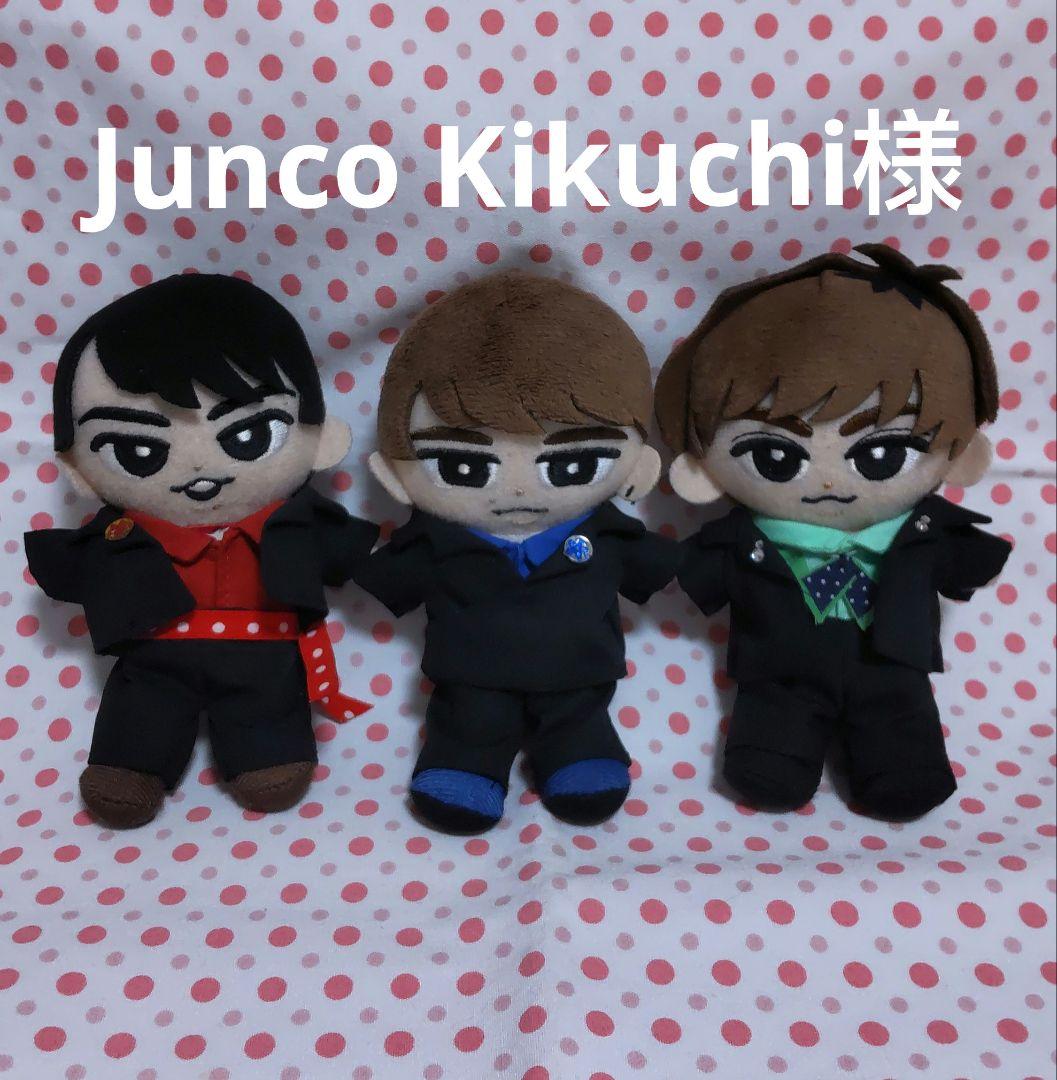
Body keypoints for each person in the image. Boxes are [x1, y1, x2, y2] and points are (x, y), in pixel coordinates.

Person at [655, 244, 1012, 819]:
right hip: (778, 675)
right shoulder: (739, 542)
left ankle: (898, 761)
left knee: (905, 759)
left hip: (893, 675)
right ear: (701, 469)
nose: (828, 480)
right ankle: (778, 750)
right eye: (774, 455)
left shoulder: (926, 531)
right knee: (767, 761)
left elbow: (973, 562)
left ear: (961, 454)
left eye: (883, 452)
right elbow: (684, 573)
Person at [25, 273, 378, 827]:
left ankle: (266, 753)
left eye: (248, 435)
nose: (197, 466)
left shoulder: (298, 523)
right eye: (138, 450)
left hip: (266, 662)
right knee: (138, 718)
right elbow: (74, 569)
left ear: (321, 437)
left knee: (271, 740)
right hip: (153, 661)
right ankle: (130, 763)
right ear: (79, 469)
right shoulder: (119, 535)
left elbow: (354, 557)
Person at [356, 270, 681, 832]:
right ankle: (465, 760)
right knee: (468, 727)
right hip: (470, 683)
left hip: (579, 680)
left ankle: (578, 750)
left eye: (573, 463)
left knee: (580, 726)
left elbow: (665, 570)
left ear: (637, 464)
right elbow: (380, 578)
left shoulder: (607, 533)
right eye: (463, 465)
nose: (517, 490)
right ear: (395, 473)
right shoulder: (435, 537)